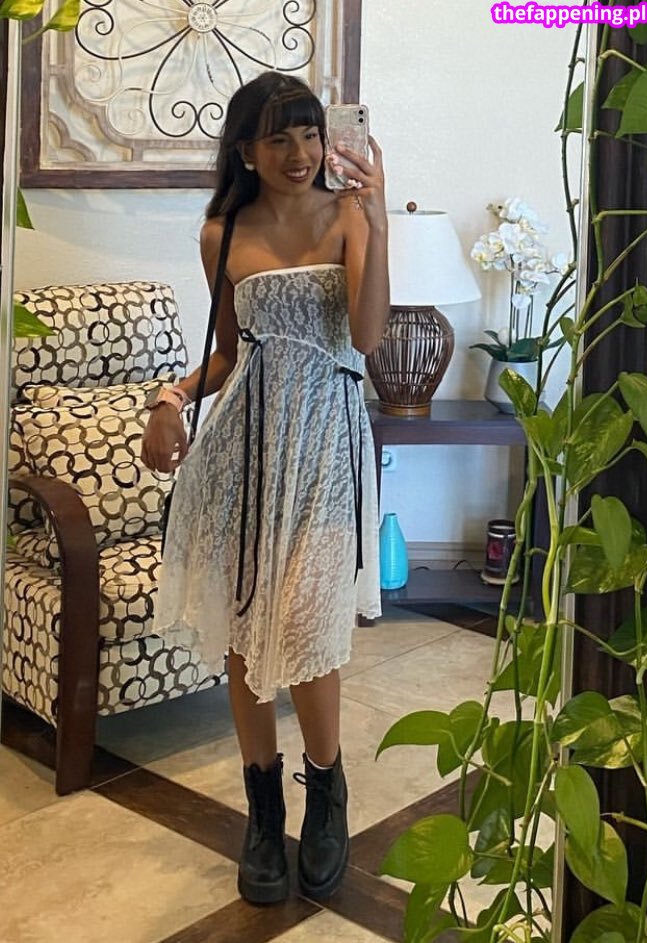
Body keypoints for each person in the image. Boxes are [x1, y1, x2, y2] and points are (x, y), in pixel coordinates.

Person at [141, 71, 389, 905]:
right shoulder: (221, 232)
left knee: (310, 622)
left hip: (326, 452)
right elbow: (228, 354)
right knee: (247, 629)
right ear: (246, 149)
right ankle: (262, 805)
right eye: (279, 137)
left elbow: (367, 337)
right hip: (243, 450)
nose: (300, 152)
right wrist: (171, 398)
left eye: (310, 133)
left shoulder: (348, 216)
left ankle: (326, 790)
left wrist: (378, 218)